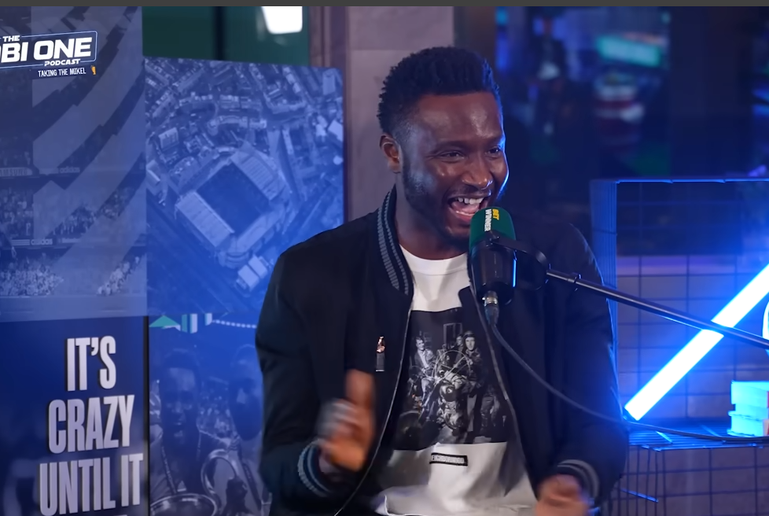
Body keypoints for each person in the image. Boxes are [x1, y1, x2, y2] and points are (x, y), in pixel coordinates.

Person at [256, 47, 627, 516]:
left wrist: (575, 480)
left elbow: (601, 422)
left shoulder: (554, 256)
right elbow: (279, 462)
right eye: (452, 154)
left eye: (493, 149)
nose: (481, 176)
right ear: (394, 153)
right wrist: (326, 463)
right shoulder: (313, 274)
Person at [149, 349, 225, 501]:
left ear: (199, 401)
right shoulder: (146, 461)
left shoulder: (220, 454)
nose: (177, 410)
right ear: (160, 397)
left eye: (186, 398)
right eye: (170, 398)